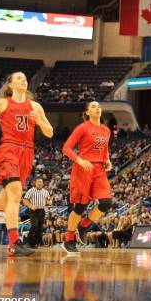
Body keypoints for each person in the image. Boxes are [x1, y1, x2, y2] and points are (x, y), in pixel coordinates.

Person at [0, 72, 53, 256]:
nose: (23, 80)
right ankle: (14, 242)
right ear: (10, 84)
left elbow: (49, 133)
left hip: (27, 153)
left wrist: (39, 121)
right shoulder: (2, 103)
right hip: (8, 150)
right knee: (16, 193)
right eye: (18, 78)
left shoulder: (35, 106)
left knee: (4, 202)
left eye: (25, 78)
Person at [61, 101, 113, 254]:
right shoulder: (82, 127)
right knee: (80, 207)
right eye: (93, 107)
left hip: (99, 169)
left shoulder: (106, 130)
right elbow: (66, 148)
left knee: (106, 202)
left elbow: (104, 150)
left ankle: (84, 225)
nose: (97, 108)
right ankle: (69, 239)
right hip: (83, 168)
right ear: (87, 112)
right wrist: (80, 160)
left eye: (99, 106)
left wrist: (107, 160)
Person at [22, 178, 52, 248]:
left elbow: (49, 200)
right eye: (38, 182)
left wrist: (49, 202)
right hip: (33, 211)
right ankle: (28, 242)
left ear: (43, 183)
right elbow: (25, 200)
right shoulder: (31, 190)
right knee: (34, 226)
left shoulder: (45, 191)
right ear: (35, 183)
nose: (39, 183)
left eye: (41, 182)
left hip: (42, 211)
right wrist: (31, 205)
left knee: (40, 228)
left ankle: (33, 243)